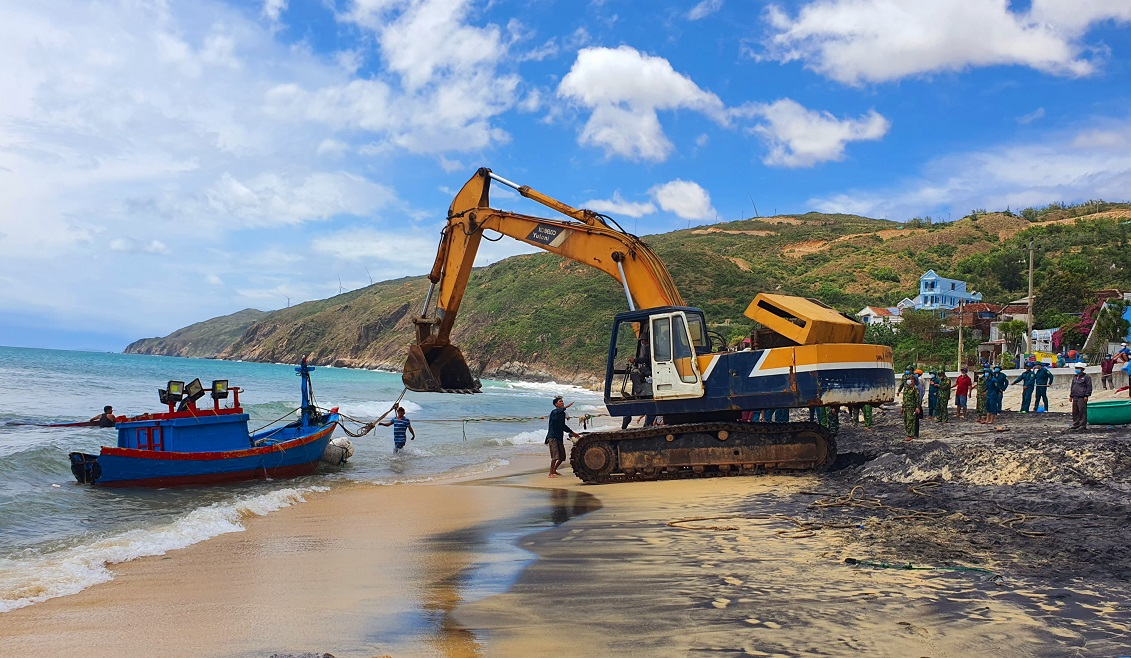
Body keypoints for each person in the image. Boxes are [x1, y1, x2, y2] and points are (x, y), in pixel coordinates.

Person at [545, 396, 580, 477]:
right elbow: (556, 414)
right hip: (552, 437)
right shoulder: (554, 412)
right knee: (555, 456)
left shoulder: (562, 414)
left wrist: (572, 432)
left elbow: (563, 426)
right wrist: (566, 407)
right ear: (556, 404)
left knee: (562, 457)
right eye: (560, 401)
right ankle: (550, 473)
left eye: (562, 401)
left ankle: (554, 470)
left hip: (559, 437)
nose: (562, 402)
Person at [1069, 364, 1093, 431]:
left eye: (1078, 368)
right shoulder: (1075, 377)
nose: (1076, 369)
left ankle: (1082, 424)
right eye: (1076, 368)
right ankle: (1075, 424)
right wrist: (1071, 396)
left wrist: (1086, 395)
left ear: (1082, 369)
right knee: (1075, 411)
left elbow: (1089, 386)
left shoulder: (1086, 377)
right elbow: (1072, 387)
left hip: (1082, 397)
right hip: (1075, 396)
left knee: (1082, 411)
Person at [901, 375, 921, 441]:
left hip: (912, 407)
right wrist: (902, 407)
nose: (909, 381)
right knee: (906, 421)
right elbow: (904, 399)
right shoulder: (906, 389)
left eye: (910, 379)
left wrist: (918, 407)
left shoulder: (915, 389)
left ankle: (910, 435)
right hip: (906, 407)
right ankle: (908, 433)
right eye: (908, 379)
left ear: (913, 381)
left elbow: (918, 399)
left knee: (910, 421)